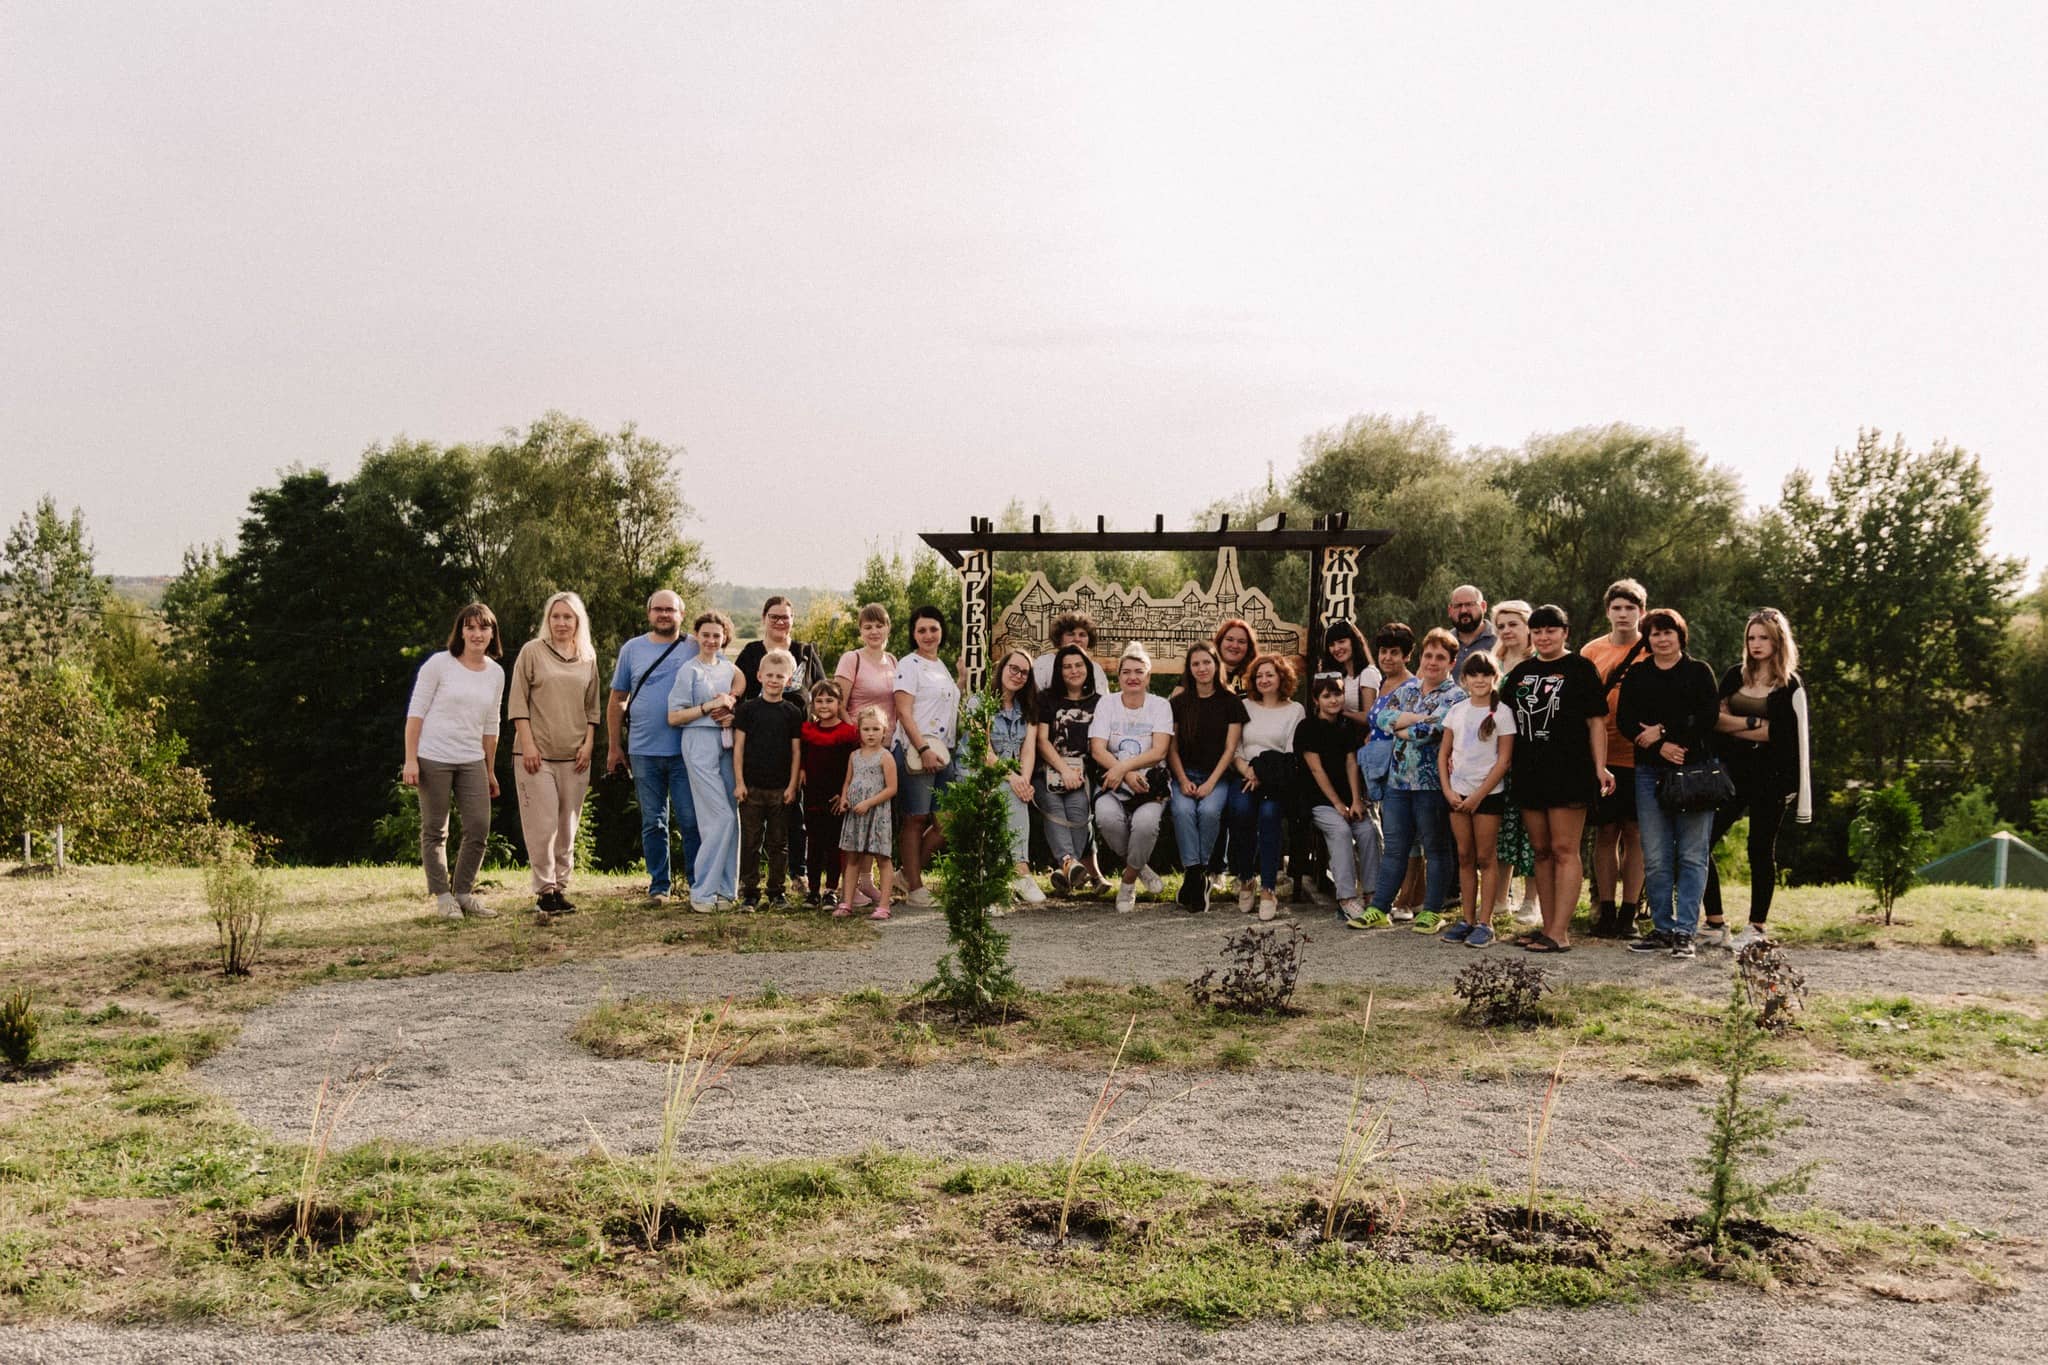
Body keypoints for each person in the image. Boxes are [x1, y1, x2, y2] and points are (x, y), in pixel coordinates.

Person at [1703, 608, 1814, 951]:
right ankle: (1715, 922)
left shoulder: (1789, 685)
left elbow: (1779, 735)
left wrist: (1734, 724)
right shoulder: (1734, 676)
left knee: (1760, 849)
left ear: (1778, 640)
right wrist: (1753, 725)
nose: (1756, 643)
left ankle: (1756, 927)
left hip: (1772, 778)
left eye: (1764, 637)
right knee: (1699, 842)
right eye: (1751, 637)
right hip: (1731, 775)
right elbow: (1713, 720)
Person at [1506, 605, 1614, 953]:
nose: (1544, 637)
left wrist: (1600, 767)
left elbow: (1596, 722)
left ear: (1565, 632)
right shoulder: (1522, 672)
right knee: (1541, 851)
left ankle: (1560, 933)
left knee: (1565, 849)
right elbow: (1503, 720)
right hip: (1529, 771)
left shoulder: (1581, 669)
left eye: (1551, 630)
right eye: (1537, 631)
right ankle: (1547, 927)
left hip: (1570, 771)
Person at [1618, 608, 1721, 960]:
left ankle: (1685, 931)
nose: (1662, 639)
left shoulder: (1699, 671)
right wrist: (1659, 747)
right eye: (1655, 633)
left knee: (1692, 855)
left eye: (1668, 632)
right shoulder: (1638, 674)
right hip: (1649, 772)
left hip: (1694, 772)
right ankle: (1662, 928)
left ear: (1680, 636)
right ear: (1647, 639)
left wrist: (1665, 732)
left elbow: (1707, 716)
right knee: (1657, 855)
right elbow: (1626, 720)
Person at [402, 603, 505, 920]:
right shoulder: (439, 664)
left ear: (492, 634)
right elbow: (416, 714)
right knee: (436, 830)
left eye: (483, 628)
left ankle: (463, 893)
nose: (477, 634)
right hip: (433, 757)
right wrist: (410, 760)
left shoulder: (496, 673)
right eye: (470, 627)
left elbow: (492, 725)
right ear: (460, 631)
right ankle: (443, 897)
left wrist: (489, 770)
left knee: (479, 827)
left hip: (472, 759)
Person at [506, 590, 600, 916]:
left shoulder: (587, 656)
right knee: (542, 825)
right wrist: (528, 744)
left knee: (567, 826)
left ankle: (561, 887)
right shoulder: (533, 651)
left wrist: (588, 744)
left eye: (567, 617)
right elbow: (518, 701)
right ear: (548, 619)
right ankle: (545, 890)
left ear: (578, 621)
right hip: (536, 755)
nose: (561, 622)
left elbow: (593, 707)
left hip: (575, 756)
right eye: (556, 616)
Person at [1365, 628, 1464, 928]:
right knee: (1395, 848)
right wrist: (1417, 720)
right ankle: (1379, 909)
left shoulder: (1456, 696)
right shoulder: (1407, 690)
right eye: (1428, 655)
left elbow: (1431, 731)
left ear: (1452, 662)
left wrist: (1403, 726)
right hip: (1398, 782)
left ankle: (1431, 911)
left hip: (1431, 784)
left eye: (1440, 657)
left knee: (1436, 848)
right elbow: (1380, 718)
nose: (1432, 662)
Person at [606, 591, 699, 904]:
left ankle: (698, 884)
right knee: (653, 822)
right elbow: (617, 700)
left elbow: (724, 674)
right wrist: (614, 747)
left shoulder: (695, 646)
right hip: (643, 750)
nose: (663, 614)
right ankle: (659, 886)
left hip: (686, 750)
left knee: (690, 820)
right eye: (658, 609)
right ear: (649, 614)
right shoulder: (632, 649)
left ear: (681, 614)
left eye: (670, 609)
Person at [735, 596, 829, 893]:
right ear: (764, 618)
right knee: (755, 825)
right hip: (759, 747)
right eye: (774, 616)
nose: (780, 622)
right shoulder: (751, 653)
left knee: (795, 813)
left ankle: (797, 874)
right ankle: (750, 880)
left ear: (793, 619)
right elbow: (736, 690)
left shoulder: (805, 653)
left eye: (785, 617)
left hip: (798, 743)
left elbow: (822, 692)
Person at [1578, 579, 1650, 939]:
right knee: (1605, 833)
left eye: (1630, 608)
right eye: (1617, 608)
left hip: (1641, 755)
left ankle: (1629, 913)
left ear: (1642, 612)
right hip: (1602, 755)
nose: (1623, 614)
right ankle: (1605, 910)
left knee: (1635, 833)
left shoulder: (1652, 648)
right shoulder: (1592, 651)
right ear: (1608, 611)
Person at [1088, 642, 1176, 912]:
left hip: (1150, 783)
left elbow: (1159, 751)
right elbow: (1097, 749)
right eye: (1126, 672)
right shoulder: (1107, 703)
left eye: (1139, 672)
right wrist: (1123, 773)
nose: (1132, 677)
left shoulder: (1160, 706)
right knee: (1106, 819)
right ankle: (1140, 868)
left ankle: (1127, 882)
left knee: (1145, 824)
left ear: (1148, 677)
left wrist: (1124, 768)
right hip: (1113, 781)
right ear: (1119, 677)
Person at [665, 611, 741, 910]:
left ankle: (725, 890)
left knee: (731, 816)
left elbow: (739, 686)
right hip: (698, 740)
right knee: (719, 817)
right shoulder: (689, 671)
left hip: (727, 742)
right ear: (697, 636)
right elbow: (673, 717)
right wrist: (709, 706)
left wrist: (731, 705)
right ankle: (702, 891)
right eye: (705, 635)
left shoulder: (728, 668)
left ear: (725, 638)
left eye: (716, 635)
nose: (711, 640)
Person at [1439, 651, 1515, 948]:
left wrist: (1478, 796)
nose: (1480, 680)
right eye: (1474, 674)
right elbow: (1444, 754)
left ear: (1495, 678)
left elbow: (1504, 761)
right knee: (1465, 856)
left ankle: (1486, 923)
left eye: (1486, 674)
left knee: (1486, 857)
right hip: (1457, 795)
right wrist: (1448, 791)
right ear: (1464, 679)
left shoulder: (1502, 713)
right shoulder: (1457, 711)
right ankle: (1467, 920)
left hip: (1487, 796)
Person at [1168, 640, 1247, 911]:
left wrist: (1211, 782)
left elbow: (1230, 749)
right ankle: (1197, 874)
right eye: (1196, 664)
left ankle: (1194, 876)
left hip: (1217, 776)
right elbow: (1171, 748)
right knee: (1182, 811)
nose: (1201, 668)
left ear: (1216, 665)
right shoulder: (1179, 703)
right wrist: (1182, 780)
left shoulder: (1231, 702)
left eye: (1206, 662)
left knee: (1210, 811)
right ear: (1189, 669)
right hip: (1184, 774)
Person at [894, 605, 962, 909]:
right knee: (916, 818)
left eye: (933, 629)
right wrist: (922, 749)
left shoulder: (941, 666)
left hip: (943, 751)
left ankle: (906, 875)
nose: (928, 635)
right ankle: (916, 888)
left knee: (946, 821)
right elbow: (904, 712)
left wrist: (960, 681)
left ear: (941, 631)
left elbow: (943, 704)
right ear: (913, 634)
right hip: (916, 750)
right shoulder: (909, 664)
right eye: (921, 630)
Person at [1228, 652, 1305, 920]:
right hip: (1245, 773)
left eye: (1269, 674)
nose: (1263, 679)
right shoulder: (1244, 706)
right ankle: (1246, 878)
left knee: (1270, 814)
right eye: (1259, 675)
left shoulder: (1295, 710)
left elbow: (1291, 752)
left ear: (1282, 677)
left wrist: (1262, 774)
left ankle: (1269, 888)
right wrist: (1248, 772)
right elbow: (1235, 748)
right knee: (1240, 810)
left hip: (1276, 779)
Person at [1299, 675, 1379, 924]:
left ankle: (1372, 894)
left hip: (1348, 797)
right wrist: (1337, 804)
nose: (1333, 700)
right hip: (1320, 800)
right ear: (1316, 700)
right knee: (1341, 831)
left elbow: (1351, 763)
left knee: (1368, 831)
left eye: (1337, 694)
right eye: (1326, 696)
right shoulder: (1307, 727)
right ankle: (1346, 898)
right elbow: (1316, 770)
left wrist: (1355, 801)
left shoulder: (1347, 726)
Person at [833, 603, 897, 907]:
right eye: (867, 626)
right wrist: (861, 738)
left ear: (888, 628)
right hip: (857, 747)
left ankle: (867, 881)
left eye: (879, 625)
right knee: (854, 817)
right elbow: (839, 704)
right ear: (860, 630)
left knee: (875, 817)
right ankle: (846, 886)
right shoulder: (852, 659)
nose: (874, 631)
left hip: (886, 747)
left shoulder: (893, 660)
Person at [732, 648, 805, 910]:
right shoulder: (747, 710)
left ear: (789, 680)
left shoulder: (792, 712)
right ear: (759, 676)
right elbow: (738, 748)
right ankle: (750, 892)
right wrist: (739, 782)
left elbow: (796, 752)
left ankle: (776, 892)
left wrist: (792, 786)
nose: (774, 680)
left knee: (778, 843)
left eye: (780, 676)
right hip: (751, 787)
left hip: (780, 789)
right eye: (770, 675)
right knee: (750, 842)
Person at [1361, 623, 1426, 915]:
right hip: (1381, 766)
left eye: (1394, 652)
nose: (1387, 657)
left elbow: (1413, 726)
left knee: (1409, 837)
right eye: (1383, 651)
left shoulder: (1412, 687)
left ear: (1407, 655)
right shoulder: (1383, 683)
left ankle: (1405, 898)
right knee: (1396, 834)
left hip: (1404, 766)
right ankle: (1415, 895)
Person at [1036, 643, 1105, 896]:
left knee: (1078, 816)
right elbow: (1042, 740)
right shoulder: (1047, 699)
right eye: (1067, 667)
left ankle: (1066, 870)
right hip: (1047, 771)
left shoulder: (1100, 703)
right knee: (1055, 811)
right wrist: (1063, 769)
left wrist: (1075, 774)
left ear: (1088, 668)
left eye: (1078, 665)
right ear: (1059, 671)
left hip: (1081, 777)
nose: (1073, 671)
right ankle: (1068, 862)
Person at [1489, 601, 1539, 925]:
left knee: (1532, 831)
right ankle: (1498, 899)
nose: (1507, 631)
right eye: (1501, 626)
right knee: (1501, 827)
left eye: (1513, 624)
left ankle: (1531, 901)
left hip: (1531, 756)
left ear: (1527, 627)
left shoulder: (1539, 663)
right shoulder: (1492, 663)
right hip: (1494, 759)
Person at [985, 647, 1046, 906]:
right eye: (1014, 669)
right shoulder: (981, 702)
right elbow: (983, 752)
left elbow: (1028, 750)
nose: (1018, 675)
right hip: (982, 774)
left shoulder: (1029, 708)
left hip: (1013, 778)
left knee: (1014, 795)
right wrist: (1014, 779)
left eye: (1024, 672)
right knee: (1009, 792)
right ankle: (1021, 870)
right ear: (1002, 668)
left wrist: (1025, 781)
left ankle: (1000, 883)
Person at [798, 679, 860, 907]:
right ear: (813, 704)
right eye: (819, 701)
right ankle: (813, 890)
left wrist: (843, 794)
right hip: (813, 794)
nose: (824, 705)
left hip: (836, 797)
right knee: (814, 843)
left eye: (829, 700)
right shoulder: (808, 731)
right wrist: (802, 770)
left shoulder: (848, 733)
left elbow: (852, 767)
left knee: (834, 846)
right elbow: (802, 756)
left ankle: (831, 890)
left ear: (839, 703)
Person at [837, 704, 900, 921]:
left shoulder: (885, 757)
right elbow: (848, 781)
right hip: (856, 814)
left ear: (884, 731)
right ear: (859, 731)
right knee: (852, 858)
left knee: (882, 858)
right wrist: (844, 799)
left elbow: (892, 788)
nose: (871, 734)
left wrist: (869, 803)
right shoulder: (854, 756)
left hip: (877, 814)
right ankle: (847, 902)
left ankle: (883, 905)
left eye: (875, 729)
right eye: (866, 729)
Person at [1316, 620, 1383, 731]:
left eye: (1341, 642)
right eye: (1332, 644)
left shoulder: (1368, 673)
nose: (1336, 648)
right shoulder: (1342, 677)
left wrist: (1341, 712)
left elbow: (1370, 717)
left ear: (1353, 642)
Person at [1031, 611, 1111, 695]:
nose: (1077, 639)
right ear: (1060, 638)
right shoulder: (1044, 663)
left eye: (1082, 635)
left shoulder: (1095, 668)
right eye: (1071, 634)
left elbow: (1103, 700)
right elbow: (1032, 697)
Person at [1448, 584, 1498, 673]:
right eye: (1458, 606)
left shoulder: (1499, 639)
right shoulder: (1443, 642)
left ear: (1483, 606)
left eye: (1469, 604)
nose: (1463, 610)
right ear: (1450, 610)